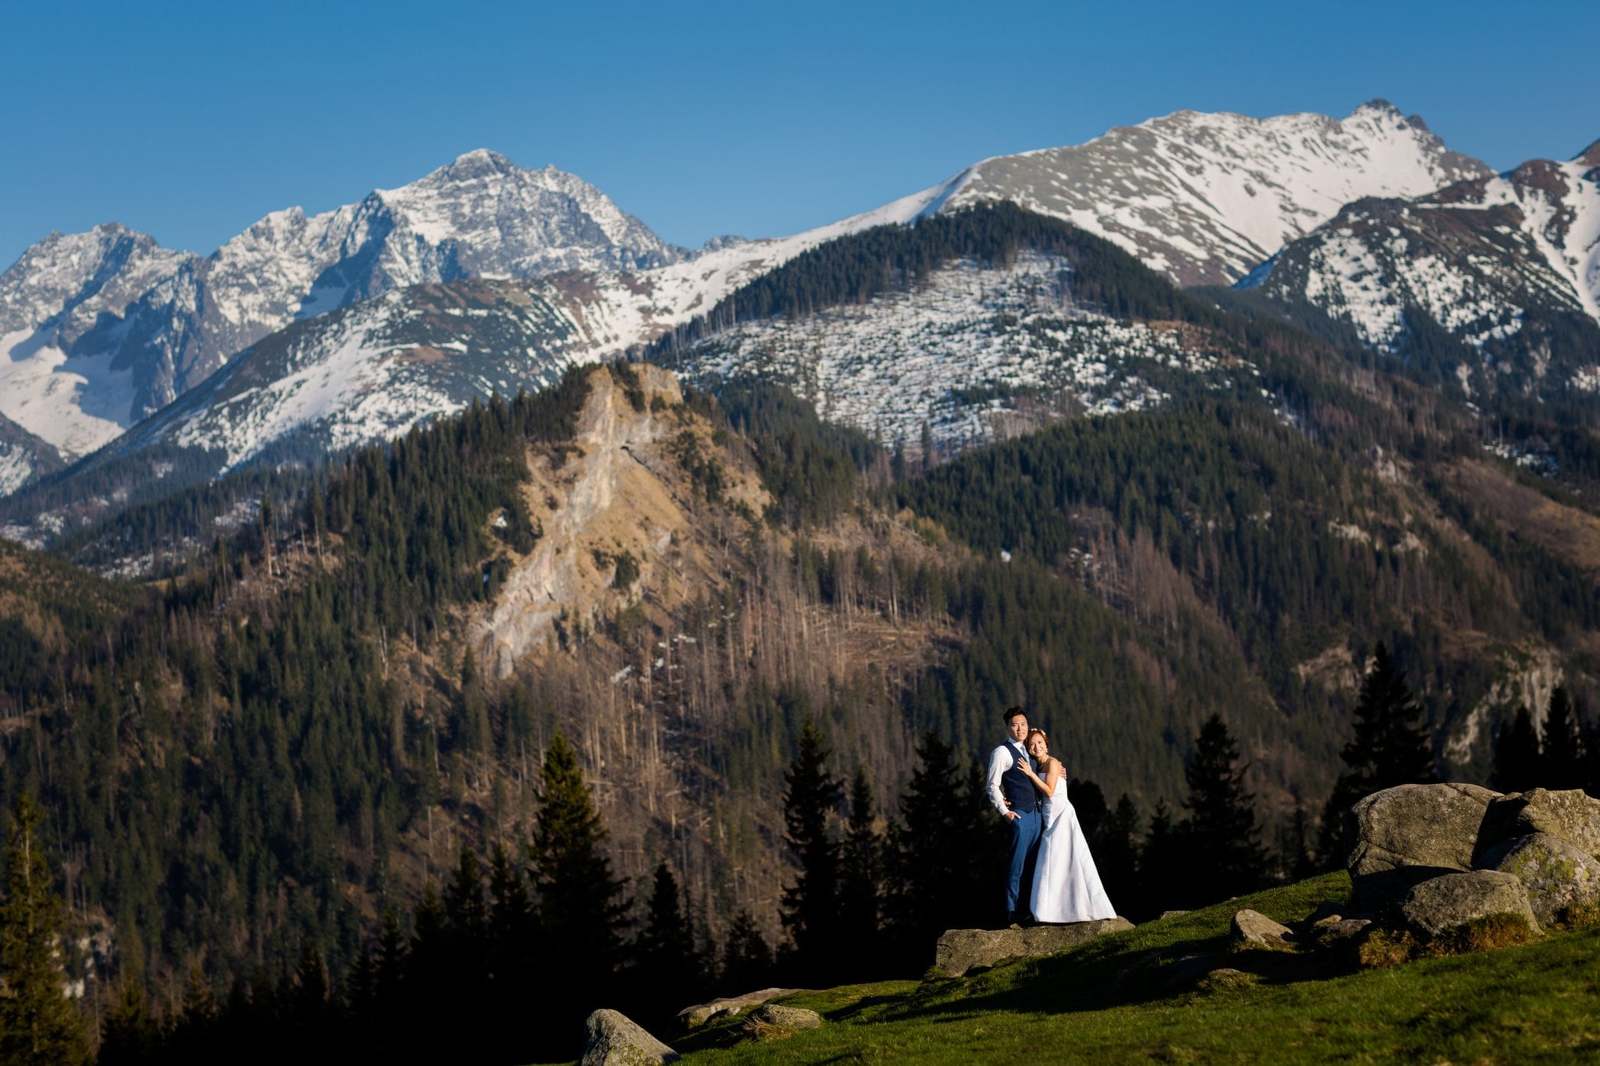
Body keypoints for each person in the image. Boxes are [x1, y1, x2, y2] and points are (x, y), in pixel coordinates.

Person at [1016, 728, 1117, 923]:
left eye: (1039, 742)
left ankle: (1071, 908)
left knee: (1064, 858)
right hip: (1049, 816)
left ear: (1046, 745)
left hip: (1061, 815)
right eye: (1032, 744)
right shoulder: (1039, 767)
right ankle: (1052, 910)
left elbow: (1049, 791)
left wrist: (1030, 774)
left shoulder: (1053, 763)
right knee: (1054, 860)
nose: (1036, 747)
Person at [986, 706, 1042, 924]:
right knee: (1016, 866)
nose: (1020, 729)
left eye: (1023, 724)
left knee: (1035, 866)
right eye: (1015, 725)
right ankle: (1011, 912)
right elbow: (992, 785)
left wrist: (1059, 772)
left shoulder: (1030, 748)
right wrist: (1005, 812)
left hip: (1038, 816)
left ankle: (1031, 910)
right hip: (1020, 816)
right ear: (1008, 727)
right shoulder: (1002, 752)